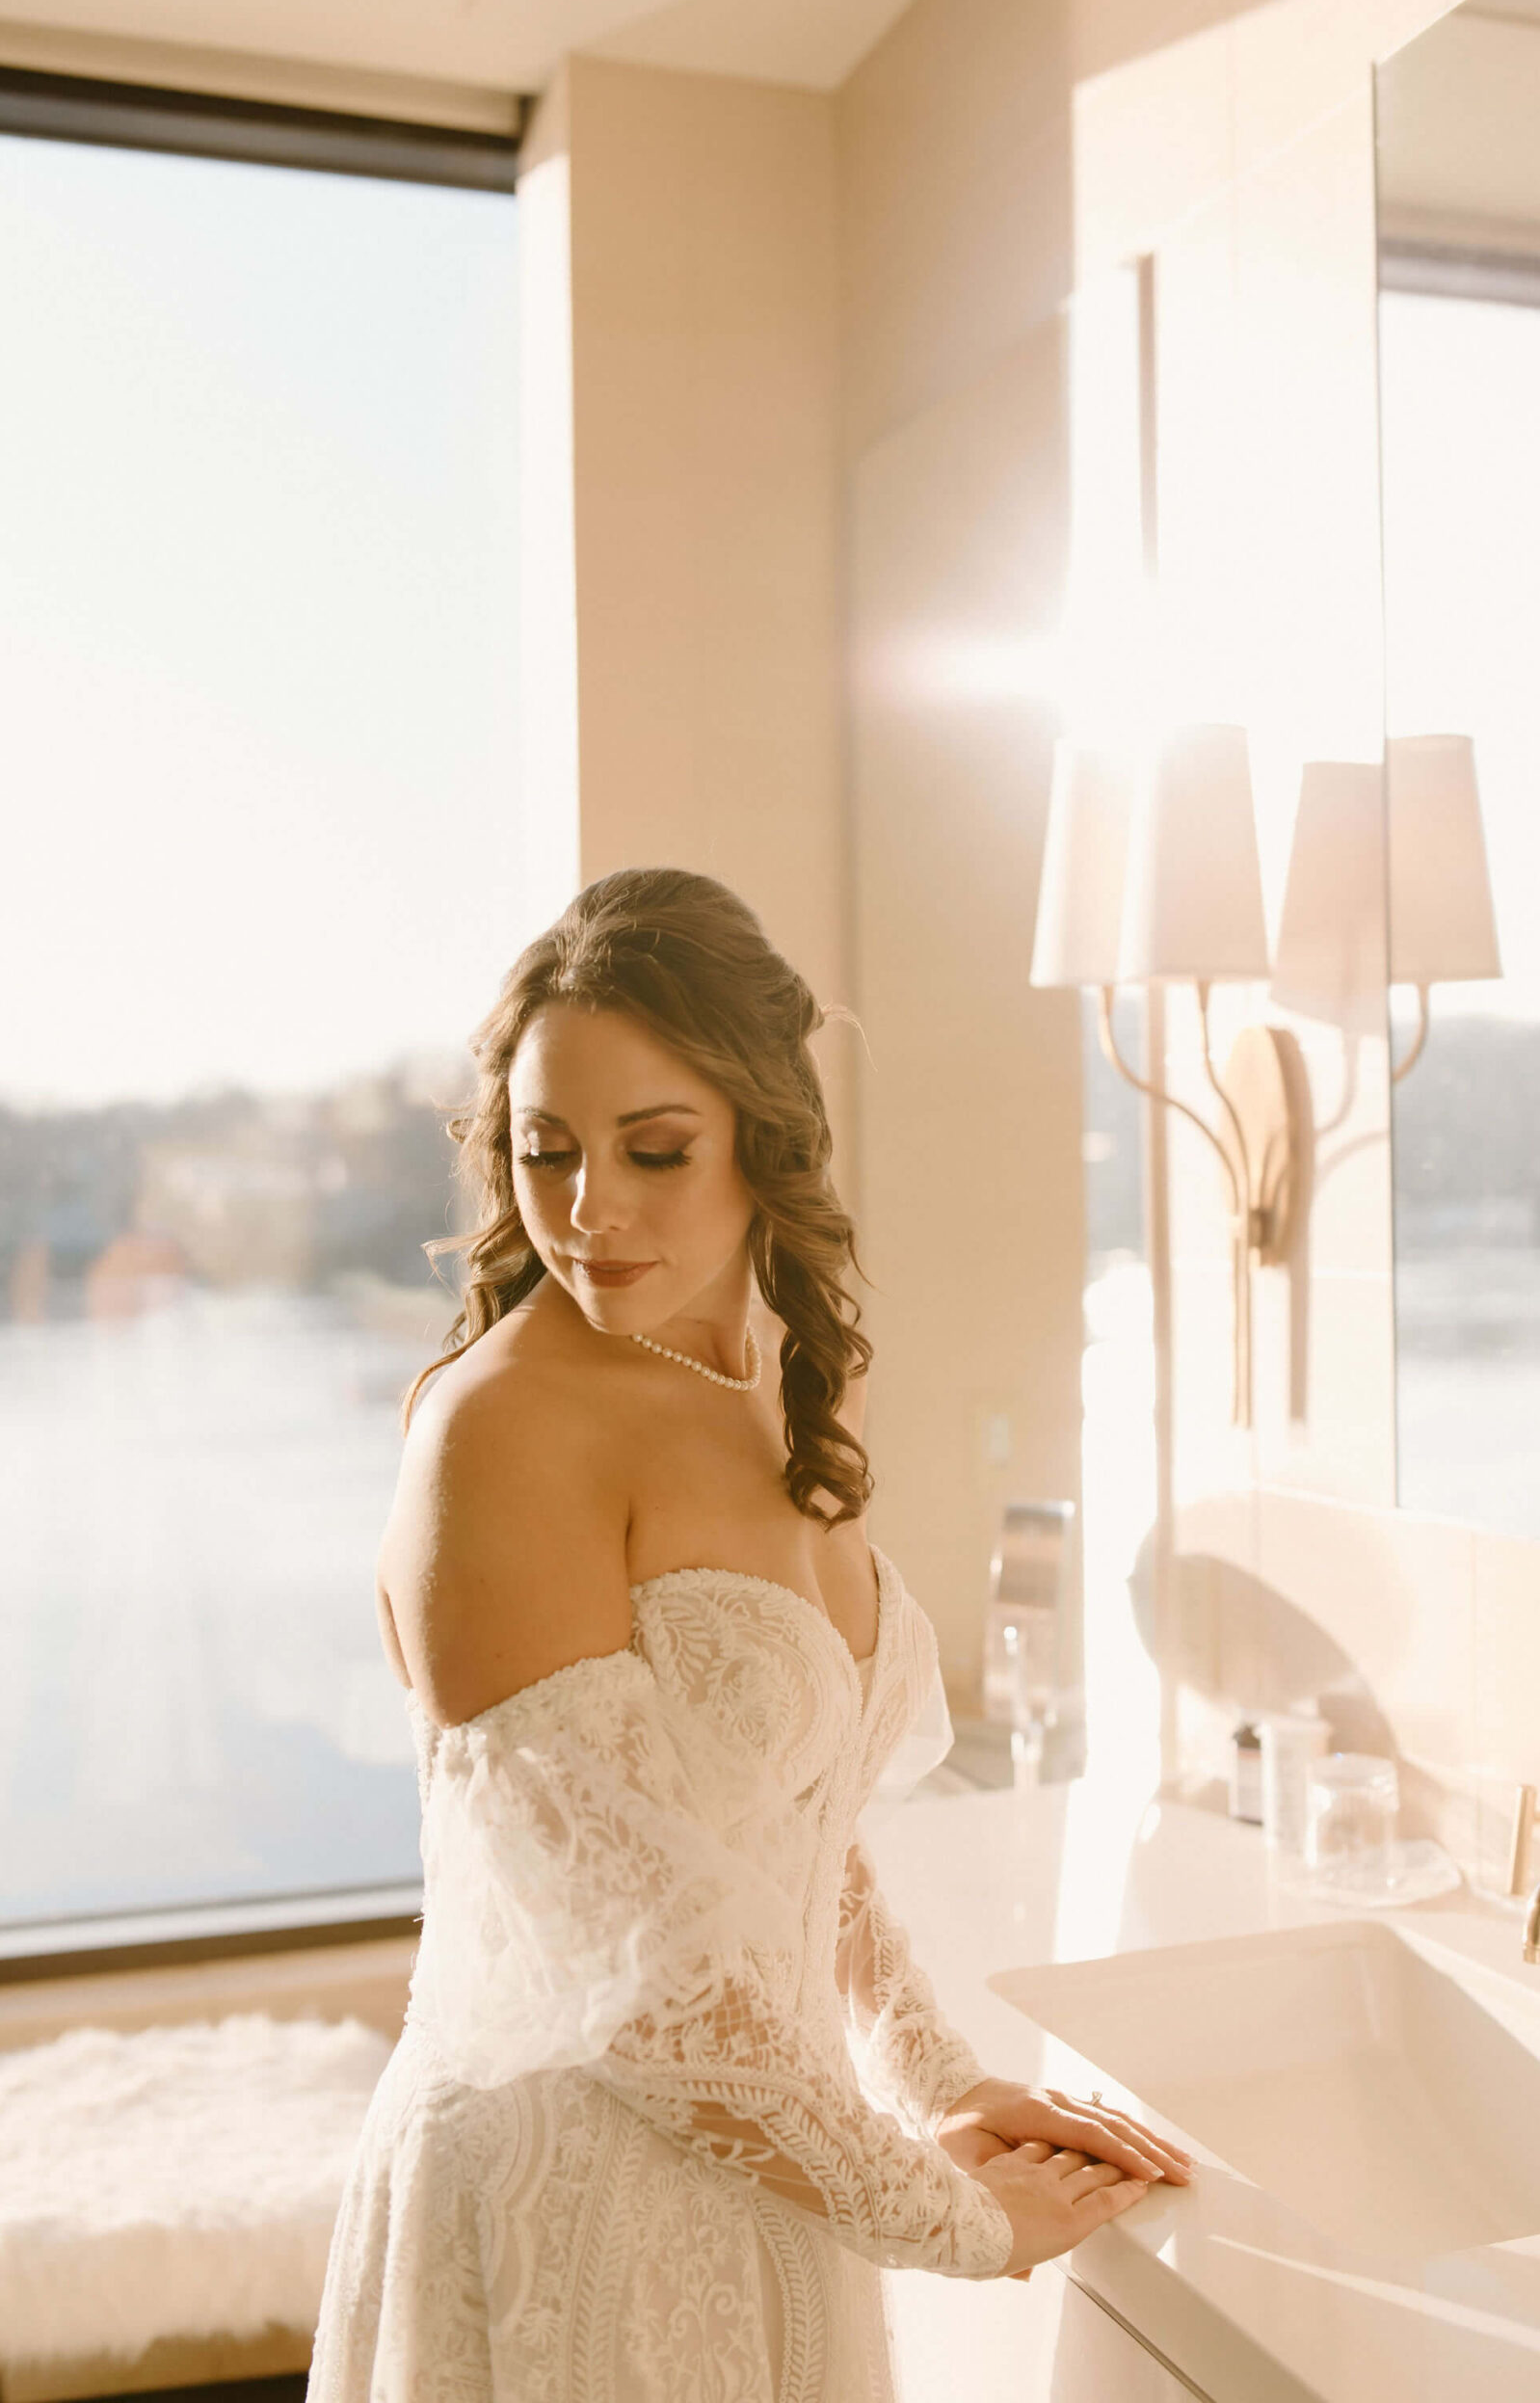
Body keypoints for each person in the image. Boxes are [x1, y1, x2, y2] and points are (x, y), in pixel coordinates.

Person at [306, 868, 1190, 2403]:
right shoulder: (501, 1435)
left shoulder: (768, 1380)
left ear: (762, 1134)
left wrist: (934, 2071)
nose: (591, 1209)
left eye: (655, 1149)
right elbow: (640, 1960)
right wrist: (952, 2215)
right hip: (571, 2227)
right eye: (547, 1151)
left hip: (771, 2186)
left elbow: (777, 1817)